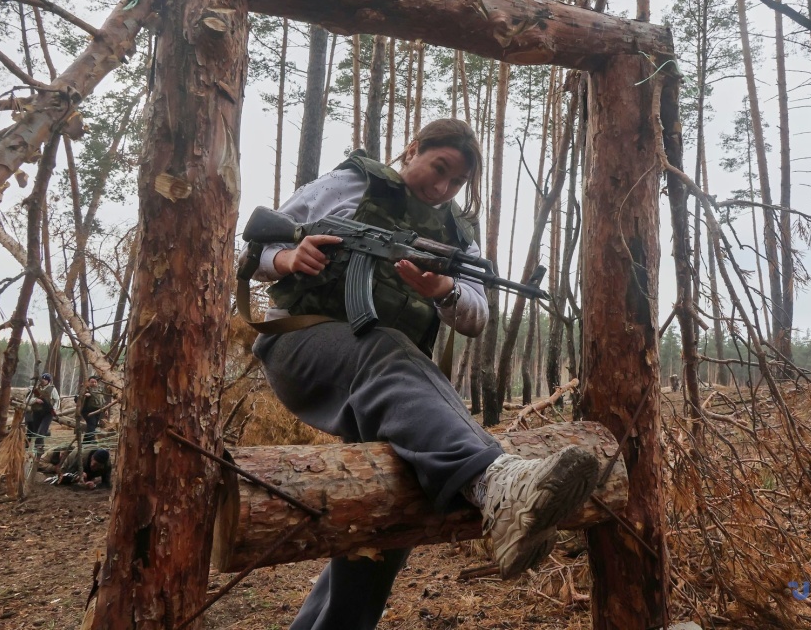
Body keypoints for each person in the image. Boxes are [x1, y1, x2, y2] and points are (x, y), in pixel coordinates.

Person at [244, 119, 598, 630]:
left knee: (395, 515)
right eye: (439, 169)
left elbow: (476, 315)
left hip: (382, 386)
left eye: (456, 182)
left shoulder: (456, 236)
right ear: (413, 148)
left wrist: (443, 292)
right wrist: (287, 256)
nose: (443, 188)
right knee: (388, 343)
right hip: (299, 343)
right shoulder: (354, 184)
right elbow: (256, 247)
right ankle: (493, 481)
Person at [25, 373, 60, 454]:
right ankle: (40, 446)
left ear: (48, 381)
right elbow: (27, 400)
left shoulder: (52, 389)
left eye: (45, 379)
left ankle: (38, 446)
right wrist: (35, 400)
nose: (43, 381)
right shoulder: (35, 389)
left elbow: (57, 400)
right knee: (37, 431)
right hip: (36, 412)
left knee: (42, 430)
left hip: (48, 413)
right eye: (42, 379)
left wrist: (54, 410)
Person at [79, 375, 107, 445]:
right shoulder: (85, 389)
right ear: (88, 382)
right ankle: (89, 442)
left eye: (95, 382)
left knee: (92, 426)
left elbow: (102, 401)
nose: (93, 383)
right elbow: (77, 399)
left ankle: (87, 442)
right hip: (88, 411)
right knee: (92, 425)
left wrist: (105, 409)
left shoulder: (99, 390)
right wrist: (85, 395)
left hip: (97, 411)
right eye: (92, 382)